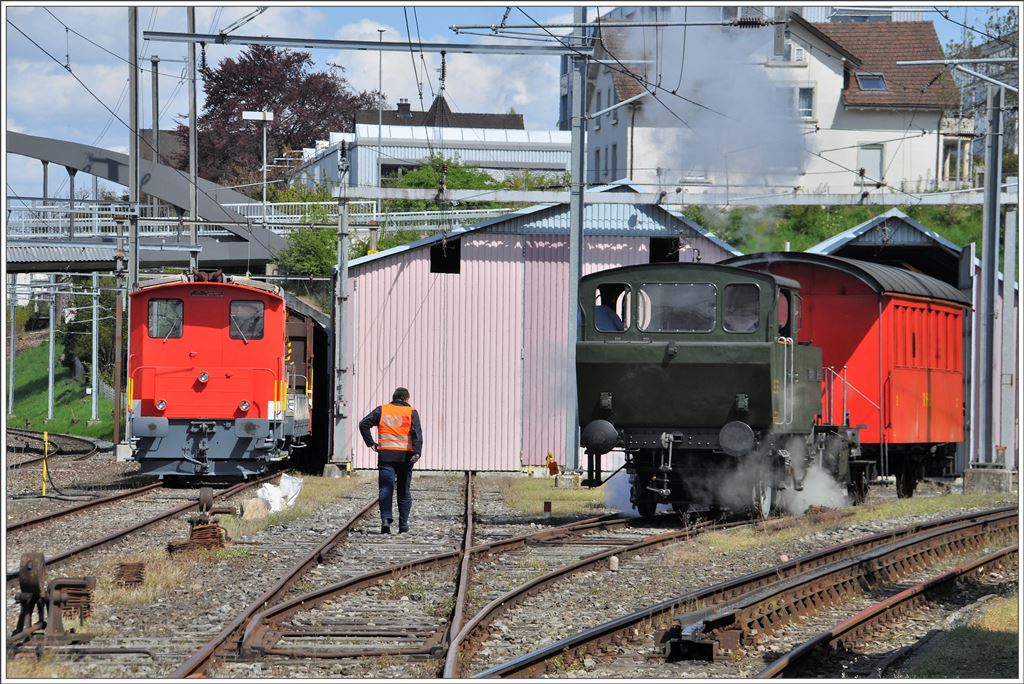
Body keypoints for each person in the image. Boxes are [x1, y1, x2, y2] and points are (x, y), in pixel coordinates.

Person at [359, 387, 423, 535]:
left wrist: (371, 443)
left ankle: (386, 521)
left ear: (394, 397)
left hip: (386, 456)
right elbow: (417, 434)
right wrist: (417, 453)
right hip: (405, 457)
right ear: (406, 399)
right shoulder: (411, 412)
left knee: (385, 489)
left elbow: (364, 424)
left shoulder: (383, 409)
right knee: (403, 490)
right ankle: (403, 524)